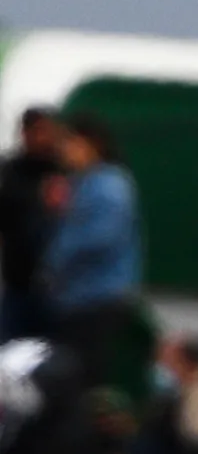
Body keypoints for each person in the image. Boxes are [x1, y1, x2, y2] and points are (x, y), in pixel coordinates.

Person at [39, 113, 140, 383]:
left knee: (86, 375)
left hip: (97, 298)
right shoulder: (77, 183)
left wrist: (57, 258)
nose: (64, 150)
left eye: (71, 142)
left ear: (92, 144)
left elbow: (101, 237)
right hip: (72, 298)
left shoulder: (110, 185)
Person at [0, 108, 66, 340]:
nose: (44, 138)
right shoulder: (10, 171)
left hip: (57, 286)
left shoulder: (65, 170)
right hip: (17, 283)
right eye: (38, 131)